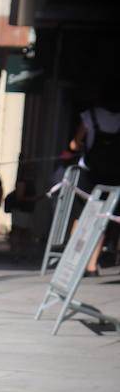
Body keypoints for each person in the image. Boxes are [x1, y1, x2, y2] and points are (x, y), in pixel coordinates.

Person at [68, 86, 120, 275]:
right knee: (102, 218)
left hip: (89, 173)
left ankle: (74, 261)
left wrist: (77, 146)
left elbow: (74, 144)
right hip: (112, 177)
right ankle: (92, 264)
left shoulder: (89, 116)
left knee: (79, 217)